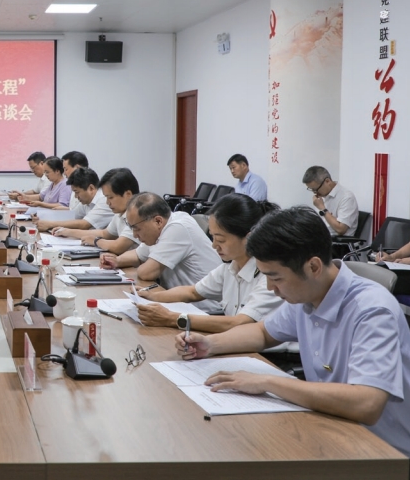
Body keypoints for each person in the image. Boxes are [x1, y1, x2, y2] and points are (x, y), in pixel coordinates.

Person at [177, 207, 410, 457]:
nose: (270, 288)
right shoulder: (308, 295)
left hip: (383, 453)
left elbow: (367, 403)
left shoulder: (372, 310)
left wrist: (266, 382)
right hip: (329, 428)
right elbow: (263, 332)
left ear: (313, 267)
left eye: (276, 278)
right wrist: (210, 344)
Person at [137, 194, 283, 332]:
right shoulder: (229, 268)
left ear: (249, 238)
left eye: (220, 240)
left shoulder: (270, 277)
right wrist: (150, 296)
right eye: (212, 237)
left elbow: (239, 323)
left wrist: (171, 318)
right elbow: (192, 292)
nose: (214, 245)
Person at [101, 192, 223, 303]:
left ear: (158, 221)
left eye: (136, 228)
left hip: (203, 309)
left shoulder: (178, 228)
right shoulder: (164, 226)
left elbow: (146, 273)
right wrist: (116, 261)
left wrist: (142, 265)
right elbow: (138, 255)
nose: (134, 235)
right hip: (178, 301)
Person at [52, 168, 140, 255]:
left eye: (110, 197)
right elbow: (104, 233)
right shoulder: (120, 214)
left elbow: (118, 246)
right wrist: (68, 231)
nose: (107, 202)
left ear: (128, 195)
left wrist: (96, 241)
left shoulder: (137, 215)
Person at [36, 167, 112, 232]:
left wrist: (51, 224)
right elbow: (73, 216)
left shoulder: (104, 200)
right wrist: (43, 218)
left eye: (77, 192)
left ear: (91, 188)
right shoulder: (87, 201)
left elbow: (84, 224)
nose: (76, 196)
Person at [302, 166, 358, 236]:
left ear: (327, 181)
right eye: (311, 189)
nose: (314, 192)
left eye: (316, 189)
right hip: (320, 237)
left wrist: (323, 209)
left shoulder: (347, 197)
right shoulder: (321, 197)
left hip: (336, 241)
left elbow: (341, 229)